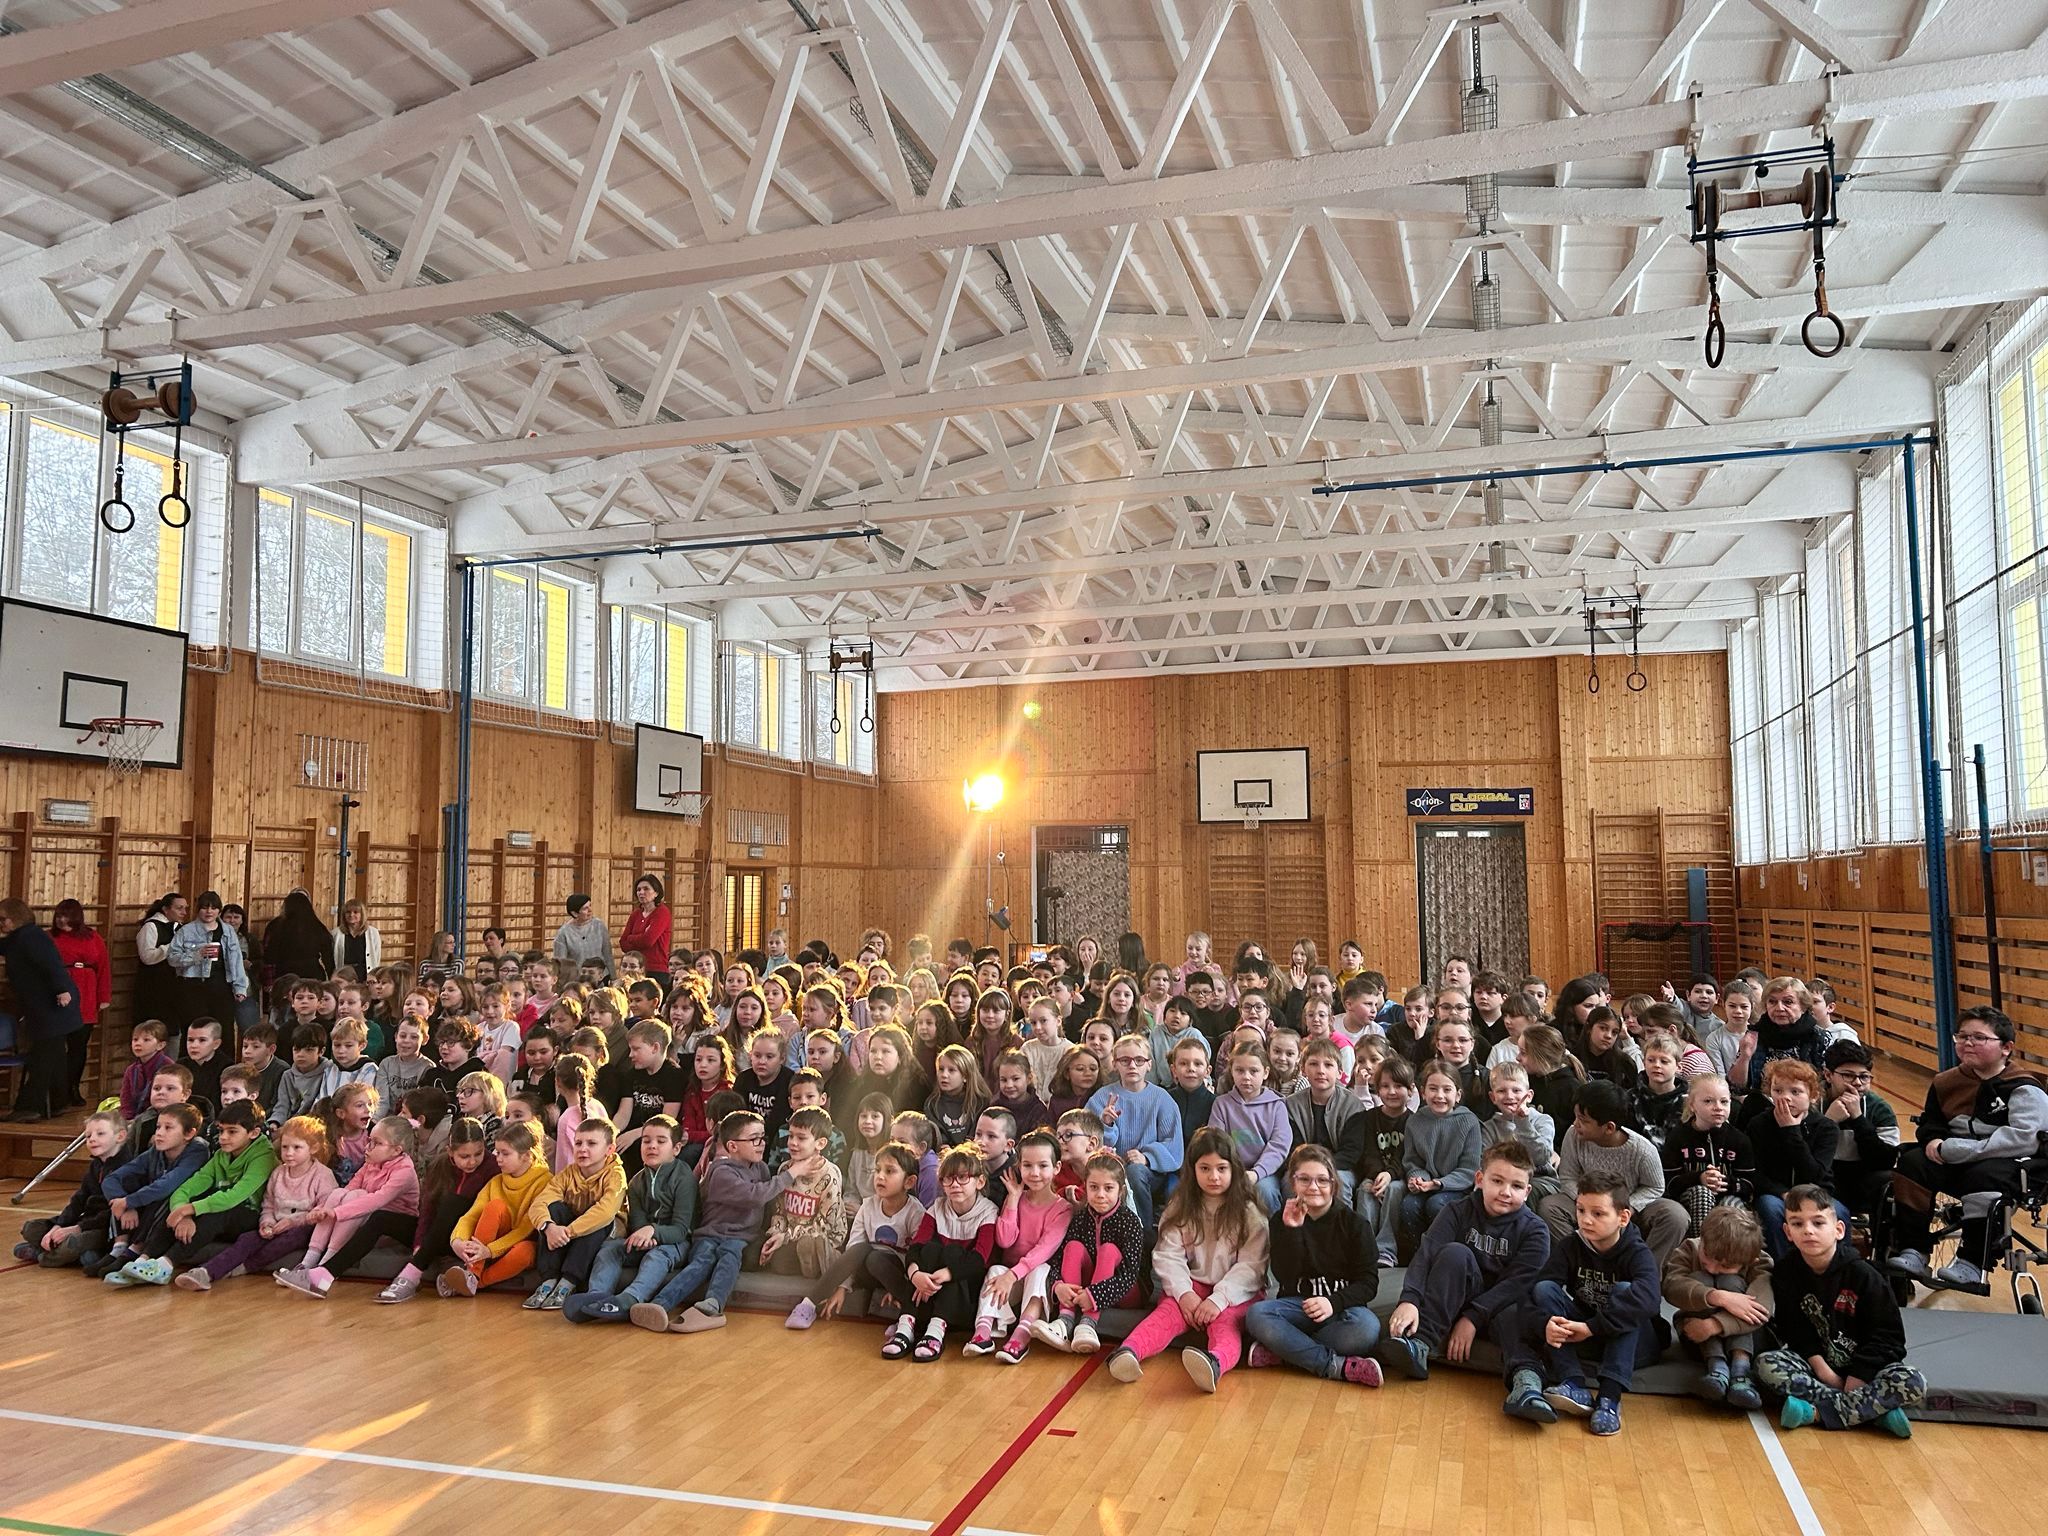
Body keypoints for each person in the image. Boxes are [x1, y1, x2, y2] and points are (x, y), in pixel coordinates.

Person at [1889, 1005, 2048, 1289]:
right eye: (1962, 1037)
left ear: (2006, 1048)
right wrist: (1933, 1141)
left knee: (1984, 1175)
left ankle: (1972, 1262)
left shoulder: (2024, 1088)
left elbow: (2024, 1139)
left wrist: (1960, 1151)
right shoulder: (1945, 1082)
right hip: (1958, 1159)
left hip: (2013, 1163)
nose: (1968, 1043)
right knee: (1912, 1162)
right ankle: (1914, 1250)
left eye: (1979, 1038)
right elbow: (1931, 1122)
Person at [1107, 1128, 1269, 1393]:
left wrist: (1219, 1299)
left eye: (1221, 1169)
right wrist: (1184, 1294)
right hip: (1192, 1285)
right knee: (1166, 1315)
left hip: (1236, 1292)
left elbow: (1252, 1266)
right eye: (1205, 1168)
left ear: (1234, 1170)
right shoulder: (1181, 1206)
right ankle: (1129, 1351)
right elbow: (1168, 1255)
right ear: (1193, 1170)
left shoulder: (1248, 1212)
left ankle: (1214, 1363)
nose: (1213, 1176)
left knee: (1226, 1324)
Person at [1500, 1170, 1662, 1434]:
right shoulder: (1571, 1245)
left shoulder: (1636, 1251)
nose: (1586, 1220)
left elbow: (1650, 1301)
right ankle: (1573, 1382)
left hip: (1634, 1345)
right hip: (1587, 1336)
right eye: (1581, 1210)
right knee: (1545, 1289)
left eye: (1598, 1213)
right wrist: (1545, 1325)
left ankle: (1609, 1397)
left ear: (1623, 1218)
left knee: (1626, 1292)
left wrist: (1591, 1327)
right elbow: (1530, 1295)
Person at [1759, 1184, 1925, 1436]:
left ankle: (1815, 1413)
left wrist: (1858, 1378)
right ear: (1787, 1232)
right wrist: (1826, 1374)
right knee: (1766, 1364)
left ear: (1838, 1229)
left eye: (1818, 1223)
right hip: (1817, 1368)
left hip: (1868, 1372)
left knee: (1913, 1381)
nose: (1808, 1230)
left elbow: (1889, 1339)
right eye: (1797, 1224)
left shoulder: (1865, 1276)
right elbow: (1795, 1331)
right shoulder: (1785, 1272)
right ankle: (1872, 1413)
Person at [631, 1110, 814, 1333]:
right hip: (710, 1234)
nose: (761, 1144)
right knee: (702, 1262)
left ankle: (712, 1305)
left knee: (730, 1256)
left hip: (740, 1238)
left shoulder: (762, 1169)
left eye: (762, 1137)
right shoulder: (721, 1172)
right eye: (754, 1139)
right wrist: (791, 1173)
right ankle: (659, 1304)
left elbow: (766, 1205)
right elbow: (755, 1195)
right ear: (733, 1146)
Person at [1381, 1141, 1549, 1381]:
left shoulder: (1536, 1231)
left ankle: (1526, 1381)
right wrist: (1410, 1299)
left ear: (1527, 1192)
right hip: (1453, 1301)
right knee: (1455, 1254)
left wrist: (1472, 1318)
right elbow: (1426, 1254)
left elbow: (1516, 1285)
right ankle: (1421, 1344)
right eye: (1497, 1181)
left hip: (1500, 1307)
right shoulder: (1456, 1210)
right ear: (1480, 1179)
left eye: (1516, 1186)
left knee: (1515, 1310)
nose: (1506, 1192)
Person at [1241, 1143, 1381, 1386]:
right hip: (1297, 1308)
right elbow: (1284, 1275)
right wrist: (1293, 1231)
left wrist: (1332, 1302)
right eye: (1304, 1179)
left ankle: (1286, 1351)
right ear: (1293, 1183)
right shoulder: (1281, 1220)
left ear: (1333, 1185)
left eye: (1322, 1180)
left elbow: (1369, 1284)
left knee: (1367, 1328)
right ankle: (1333, 1365)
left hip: (1339, 1311)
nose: (1313, 1187)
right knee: (1256, 1315)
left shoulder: (1356, 1224)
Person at [1539, 1081, 1689, 1268]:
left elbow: (1655, 1187)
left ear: (1609, 1128)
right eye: (1576, 1117)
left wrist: (1628, 1206)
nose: (1576, 1124)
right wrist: (1588, 1204)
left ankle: (1645, 1270)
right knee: (1550, 1206)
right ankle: (1581, 1264)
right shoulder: (1574, 1135)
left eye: (1583, 1120)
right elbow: (1568, 1177)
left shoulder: (1642, 1150)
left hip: (1628, 1207)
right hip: (1586, 1202)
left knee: (1675, 1216)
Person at [567, 1116, 700, 1322]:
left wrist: (653, 1232)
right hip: (646, 1238)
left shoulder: (684, 1179)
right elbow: (637, 1222)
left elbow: (681, 1230)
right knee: (610, 1249)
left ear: (676, 1149)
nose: (652, 1146)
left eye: (661, 1141)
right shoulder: (636, 1181)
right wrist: (643, 1235)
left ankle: (630, 1299)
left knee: (657, 1256)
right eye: (646, 1141)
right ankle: (597, 1297)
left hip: (677, 1243)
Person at [278, 1116, 421, 1297]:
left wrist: (336, 1212)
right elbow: (348, 1190)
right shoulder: (371, 1163)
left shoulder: (405, 1171)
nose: (367, 1147)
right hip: (364, 1219)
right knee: (339, 1194)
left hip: (388, 1228)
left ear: (396, 1150)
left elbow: (376, 1200)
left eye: (376, 1143)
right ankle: (308, 1263)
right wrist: (322, 1209)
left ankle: (325, 1265)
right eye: (369, 1140)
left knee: (360, 1199)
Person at [884, 1145, 1000, 1362]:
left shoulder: (988, 1212)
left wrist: (947, 1274)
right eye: (948, 1179)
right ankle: (906, 1325)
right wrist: (915, 1274)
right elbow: (916, 1247)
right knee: (930, 1250)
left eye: (963, 1178)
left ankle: (936, 1331)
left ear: (980, 1182)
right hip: (932, 1289)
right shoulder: (937, 1208)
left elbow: (978, 1260)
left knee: (953, 1253)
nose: (954, 1184)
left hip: (965, 1295)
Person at [1026, 1153, 1143, 1357]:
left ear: (1120, 1190)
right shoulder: (1080, 1219)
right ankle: (1065, 1320)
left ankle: (1088, 1323)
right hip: (1084, 1289)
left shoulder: (1130, 1222)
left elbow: (1129, 1276)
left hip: (1124, 1291)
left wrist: (1095, 1295)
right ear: (1085, 1187)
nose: (1100, 1195)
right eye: (1094, 1187)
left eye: (1108, 1188)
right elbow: (1057, 1259)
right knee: (1073, 1246)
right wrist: (1058, 1286)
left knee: (1108, 1250)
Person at [1662, 1203, 1773, 1411]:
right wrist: (1717, 1297)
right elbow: (1671, 1286)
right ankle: (1717, 1368)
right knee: (1701, 1279)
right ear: (1702, 1240)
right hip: (1697, 1337)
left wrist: (1713, 1325)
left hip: (1746, 1340)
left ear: (1750, 1260)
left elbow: (1761, 1309)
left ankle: (1741, 1372)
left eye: (1725, 1265)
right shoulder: (1690, 1248)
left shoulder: (1760, 1263)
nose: (1713, 1268)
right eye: (1707, 1257)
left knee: (1731, 1282)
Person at [374, 1118, 496, 1303]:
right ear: (450, 1151)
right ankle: (328, 1272)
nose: (472, 1162)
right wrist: (419, 1244)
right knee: (381, 1218)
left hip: (471, 1238)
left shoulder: (493, 1167)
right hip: (440, 1234)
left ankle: (411, 1275)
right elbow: (427, 1210)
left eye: (478, 1154)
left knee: (453, 1203)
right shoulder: (440, 1166)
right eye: (464, 1156)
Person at [524, 1115, 628, 1312]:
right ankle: (548, 1280)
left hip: (604, 1230)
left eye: (591, 1143)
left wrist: (567, 1232)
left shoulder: (616, 1174)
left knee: (599, 1218)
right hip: (571, 1229)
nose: (582, 1149)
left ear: (609, 1149)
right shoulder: (568, 1173)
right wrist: (549, 1227)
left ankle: (567, 1283)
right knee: (553, 1210)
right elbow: (539, 1203)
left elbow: (606, 1212)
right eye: (578, 1143)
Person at [1743, 1059, 1844, 1261]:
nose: (1785, 1098)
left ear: (1812, 1096)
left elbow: (1816, 1174)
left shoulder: (1826, 1128)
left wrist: (1791, 1131)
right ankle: (1782, 1268)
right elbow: (1754, 1173)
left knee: (1840, 1214)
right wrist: (1782, 1193)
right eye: (1778, 1091)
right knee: (1771, 1209)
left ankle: (1836, 1268)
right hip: (1776, 1195)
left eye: (1795, 1092)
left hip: (1816, 1193)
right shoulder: (1759, 1124)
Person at [94, 1104, 208, 1280]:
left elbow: (167, 1185)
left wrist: (129, 1201)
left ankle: (138, 1252)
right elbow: (112, 1179)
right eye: (158, 1127)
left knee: (165, 1194)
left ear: (189, 1134)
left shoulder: (198, 1151)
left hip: (185, 1209)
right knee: (127, 1187)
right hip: (148, 1209)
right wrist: (125, 1204)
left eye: (168, 1128)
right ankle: (120, 1247)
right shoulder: (155, 1151)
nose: (159, 1133)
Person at [439, 1118, 551, 1296]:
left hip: (516, 1247)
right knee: (495, 1207)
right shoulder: (496, 1182)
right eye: (497, 1152)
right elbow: (471, 1216)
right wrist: (457, 1241)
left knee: (525, 1251)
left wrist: (489, 1250)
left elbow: (523, 1230)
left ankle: (474, 1282)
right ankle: (473, 1274)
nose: (498, 1158)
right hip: (487, 1249)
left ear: (526, 1155)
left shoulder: (545, 1182)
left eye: (505, 1153)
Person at [1086, 1035, 1183, 1227]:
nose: (1132, 1066)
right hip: (1108, 1169)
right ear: (1115, 1064)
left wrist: (1147, 1157)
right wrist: (1106, 1125)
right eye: (1125, 1060)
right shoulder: (1102, 1098)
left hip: (1149, 1173)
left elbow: (1174, 1145)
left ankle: (1142, 1232)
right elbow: (1087, 1143)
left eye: (1139, 1060)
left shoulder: (1161, 1098)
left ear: (1149, 1065)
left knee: (1135, 1172)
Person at [0, 899, 83, 1122]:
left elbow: (51, 964)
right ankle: (57, 1102)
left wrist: (61, 989)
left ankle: (30, 1106)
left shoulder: (31, 937)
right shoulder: (19, 938)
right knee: (54, 1057)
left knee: (42, 1058)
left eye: (3, 919)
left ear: (16, 918)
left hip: (53, 1006)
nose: (1, 924)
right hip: (44, 1007)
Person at [14, 1108, 125, 1269]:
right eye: (88, 1136)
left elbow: (112, 1214)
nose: (92, 1139)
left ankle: (42, 1255)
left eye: (100, 1134)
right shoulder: (96, 1165)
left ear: (120, 1136)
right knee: (31, 1228)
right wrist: (59, 1225)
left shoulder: (127, 1168)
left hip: (103, 1228)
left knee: (72, 1244)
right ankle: (77, 1254)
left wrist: (77, 1228)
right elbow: (78, 1200)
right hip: (85, 1221)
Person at [1662, 1073, 1756, 1235]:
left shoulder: (1739, 1139)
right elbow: (1669, 1184)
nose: (1718, 1107)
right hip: (1690, 1201)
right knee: (1702, 1194)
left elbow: (1750, 1185)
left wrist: (1725, 1183)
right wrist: (1699, 1178)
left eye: (1724, 1102)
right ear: (1692, 1105)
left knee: (1730, 1206)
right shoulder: (1678, 1137)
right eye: (1708, 1101)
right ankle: (1701, 1245)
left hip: (1729, 1197)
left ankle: (1730, 1250)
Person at [1401, 1059, 1484, 1242]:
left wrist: (1438, 1184)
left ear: (1458, 1095)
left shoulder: (1469, 1121)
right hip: (1428, 1185)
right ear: (1423, 1093)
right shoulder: (1415, 1121)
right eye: (1433, 1089)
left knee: (1436, 1204)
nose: (1439, 1095)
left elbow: (1469, 1169)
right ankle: (1421, 1251)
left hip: (1458, 1187)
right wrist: (1418, 1179)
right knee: (1409, 1205)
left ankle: (1444, 1250)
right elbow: (1412, 1161)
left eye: (1447, 1090)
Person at [1819, 1039, 1899, 1220]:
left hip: (1863, 1178)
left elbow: (1885, 1161)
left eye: (1864, 1077)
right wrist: (1828, 1122)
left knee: (1893, 1181)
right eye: (1848, 1075)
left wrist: (1858, 1119)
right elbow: (1801, 1155)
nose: (1857, 1083)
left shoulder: (1879, 1108)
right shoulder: (1811, 1103)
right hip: (1821, 1178)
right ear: (1828, 1075)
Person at [49, 899, 112, 1110]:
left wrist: (103, 997)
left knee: (79, 1046)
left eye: (66, 916)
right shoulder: (49, 938)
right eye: (59, 916)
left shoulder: (93, 937)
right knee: (57, 1047)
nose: (61, 920)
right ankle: (56, 1091)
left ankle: (73, 1087)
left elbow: (103, 968)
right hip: (59, 992)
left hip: (86, 993)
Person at [263, 890, 333, 985]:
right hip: (312, 975)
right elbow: (328, 958)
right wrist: (332, 978)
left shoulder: (278, 927)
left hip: (286, 976)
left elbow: (270, 957)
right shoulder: (318, 927)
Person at [553, 893, 614, 981]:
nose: (590, 910)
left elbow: (608, 954)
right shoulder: (563, 933)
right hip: (578, 980)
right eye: (585, 908)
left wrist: (613, 978)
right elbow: (561, 964)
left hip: (601, 978)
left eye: (590, 906)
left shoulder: (599, 925)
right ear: (574, 913)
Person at [620, 875, 671, 976]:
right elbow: (623, 944)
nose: (641, 892)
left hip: (655, 969)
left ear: (656, 893)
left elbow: (648, 941)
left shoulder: (662, 912)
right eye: (638, 889)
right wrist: (642, 936)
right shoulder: (635, 914)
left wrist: (631, 938)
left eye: (646, 889)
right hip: (635, 968)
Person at [331, 899, 383, 979]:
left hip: (365, 976)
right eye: (348, 912)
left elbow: (376, 956)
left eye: (355, 912)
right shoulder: (336, 933)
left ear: (362, 915)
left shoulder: (373, 933)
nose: (351, 915)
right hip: (344, 976)